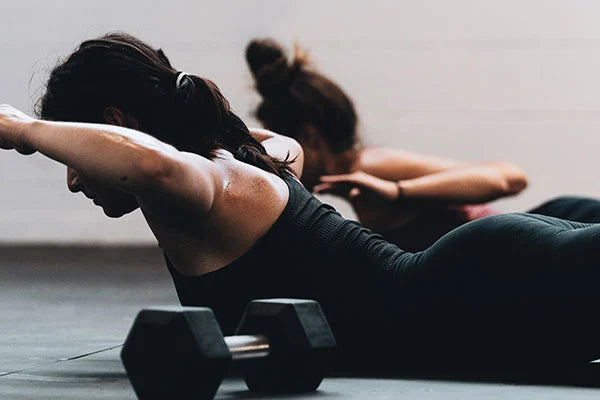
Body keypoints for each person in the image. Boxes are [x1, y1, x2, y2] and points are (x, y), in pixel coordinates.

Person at [3, 33, 600, 373]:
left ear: (114, 124)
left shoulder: (207, 185)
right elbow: (186, 148)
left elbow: (150, 161)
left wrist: (23, 130)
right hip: (484, 310)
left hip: (483, 290)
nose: (74, 180)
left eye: (73, 157)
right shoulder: (253, 156)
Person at [245, 38, 600, 251]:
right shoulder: (355, 185)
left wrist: (399, 191)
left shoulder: (370, 167)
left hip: (548, 233)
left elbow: (510, 177)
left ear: (309, 136)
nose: (276, 160)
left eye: (281, 145)